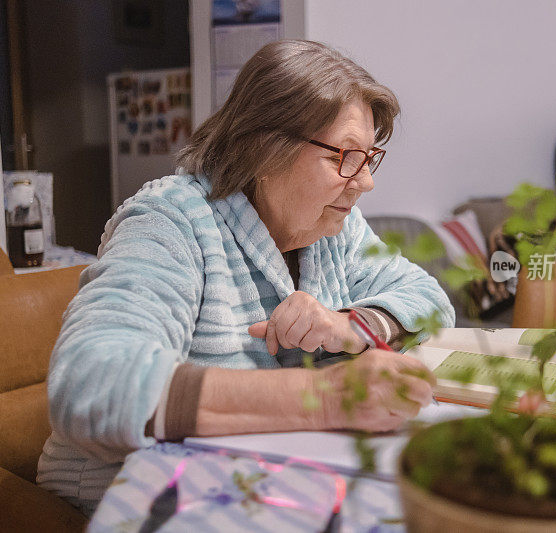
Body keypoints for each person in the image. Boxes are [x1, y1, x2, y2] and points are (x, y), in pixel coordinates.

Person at [37, 40, 454, 515]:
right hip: (127, 505)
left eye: (368, 157)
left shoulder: (335, 226)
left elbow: (431, 298)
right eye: (345, 155)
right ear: (266, 150)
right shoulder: (171, 220)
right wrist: (326, 399)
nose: (365, 181)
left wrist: (352, 325)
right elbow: (92, 384)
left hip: (266, 486)